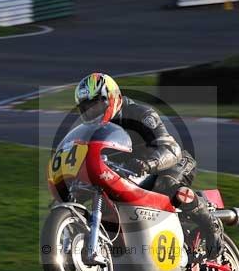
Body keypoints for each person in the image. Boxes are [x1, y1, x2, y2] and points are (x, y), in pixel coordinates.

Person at [74, 72, 224, 260]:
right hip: (131, 173)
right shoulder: (93, 132)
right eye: (87, 108)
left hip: (168, 163)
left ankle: (211, 225)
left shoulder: (140, 114)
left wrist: (149, 163)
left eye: (96, 104)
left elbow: (171, 148)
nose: (92, 111)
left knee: (167, 184)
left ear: (113, 97)